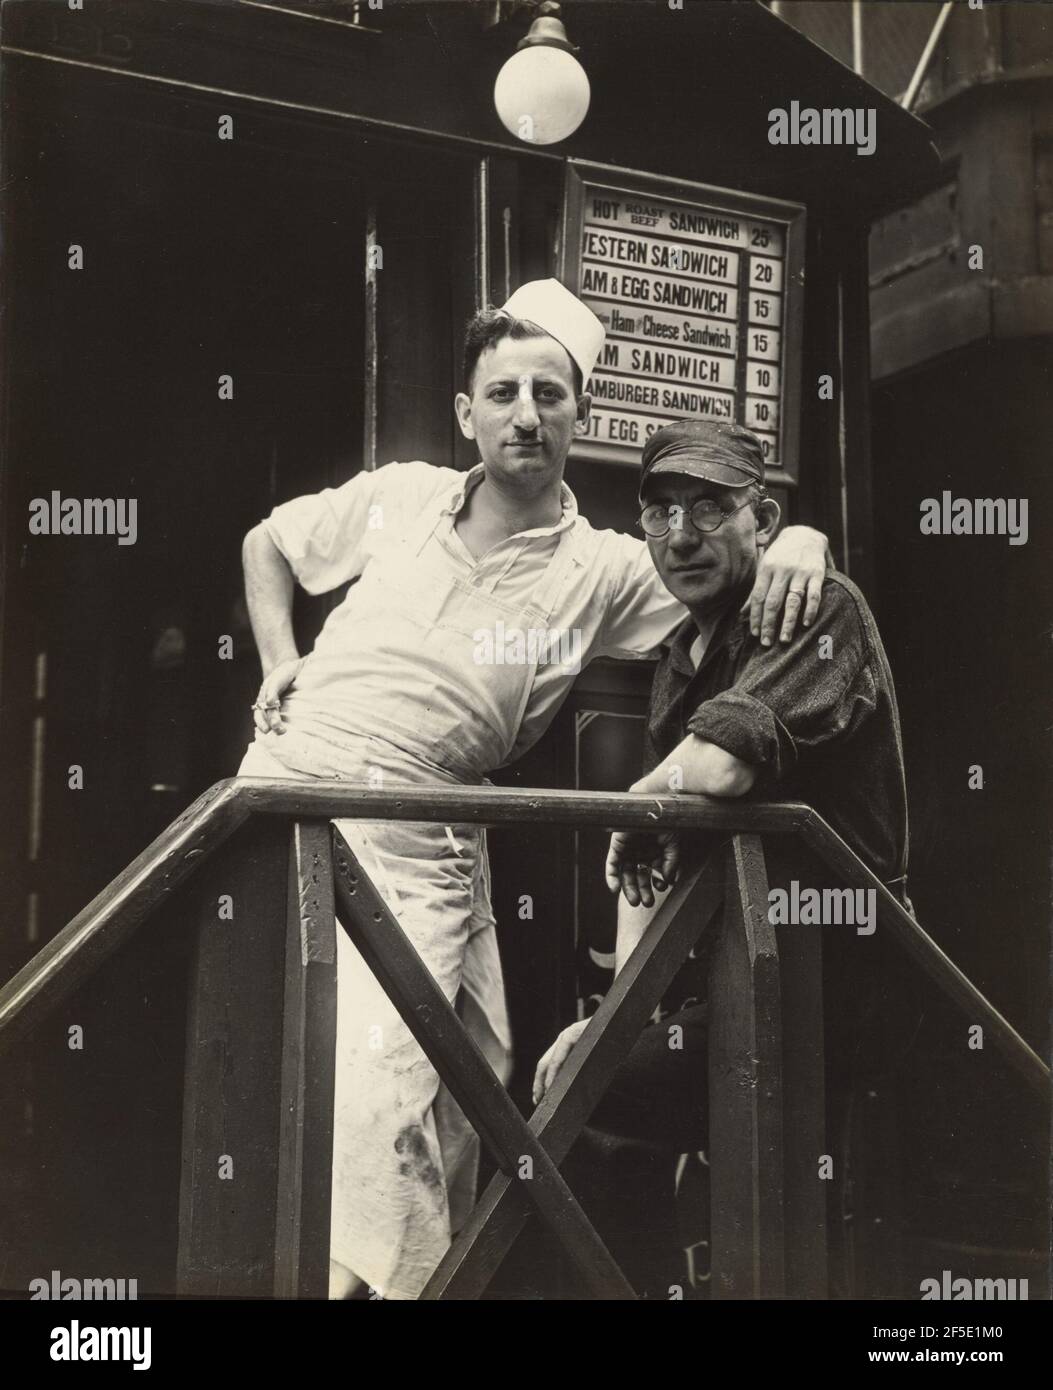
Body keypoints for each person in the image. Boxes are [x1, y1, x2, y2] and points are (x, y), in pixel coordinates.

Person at [237, 283, 830, 1300]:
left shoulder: (605, 566)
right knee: (358, 1095)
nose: (526, 412)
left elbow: (735, 572)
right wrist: (278, 656)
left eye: (549, 394)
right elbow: (271, 544)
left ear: (578, 416)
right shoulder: (402, 493)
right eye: (502, 391)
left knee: (469, 1084)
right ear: (466, 413)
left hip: (424, 826)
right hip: (292, 790)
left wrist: (805, 540)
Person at [532, 417, 910, 1296]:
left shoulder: (817, 606)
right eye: (659, 513)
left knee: (587, 1102)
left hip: (838, 983)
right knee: (574, 1086)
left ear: (763, 521)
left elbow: (718, 765)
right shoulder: (680, 654)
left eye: (708, 508)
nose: (681, 536)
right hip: (743, 981)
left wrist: (641, 805)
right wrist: (615, 1017)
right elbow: (652, 873)